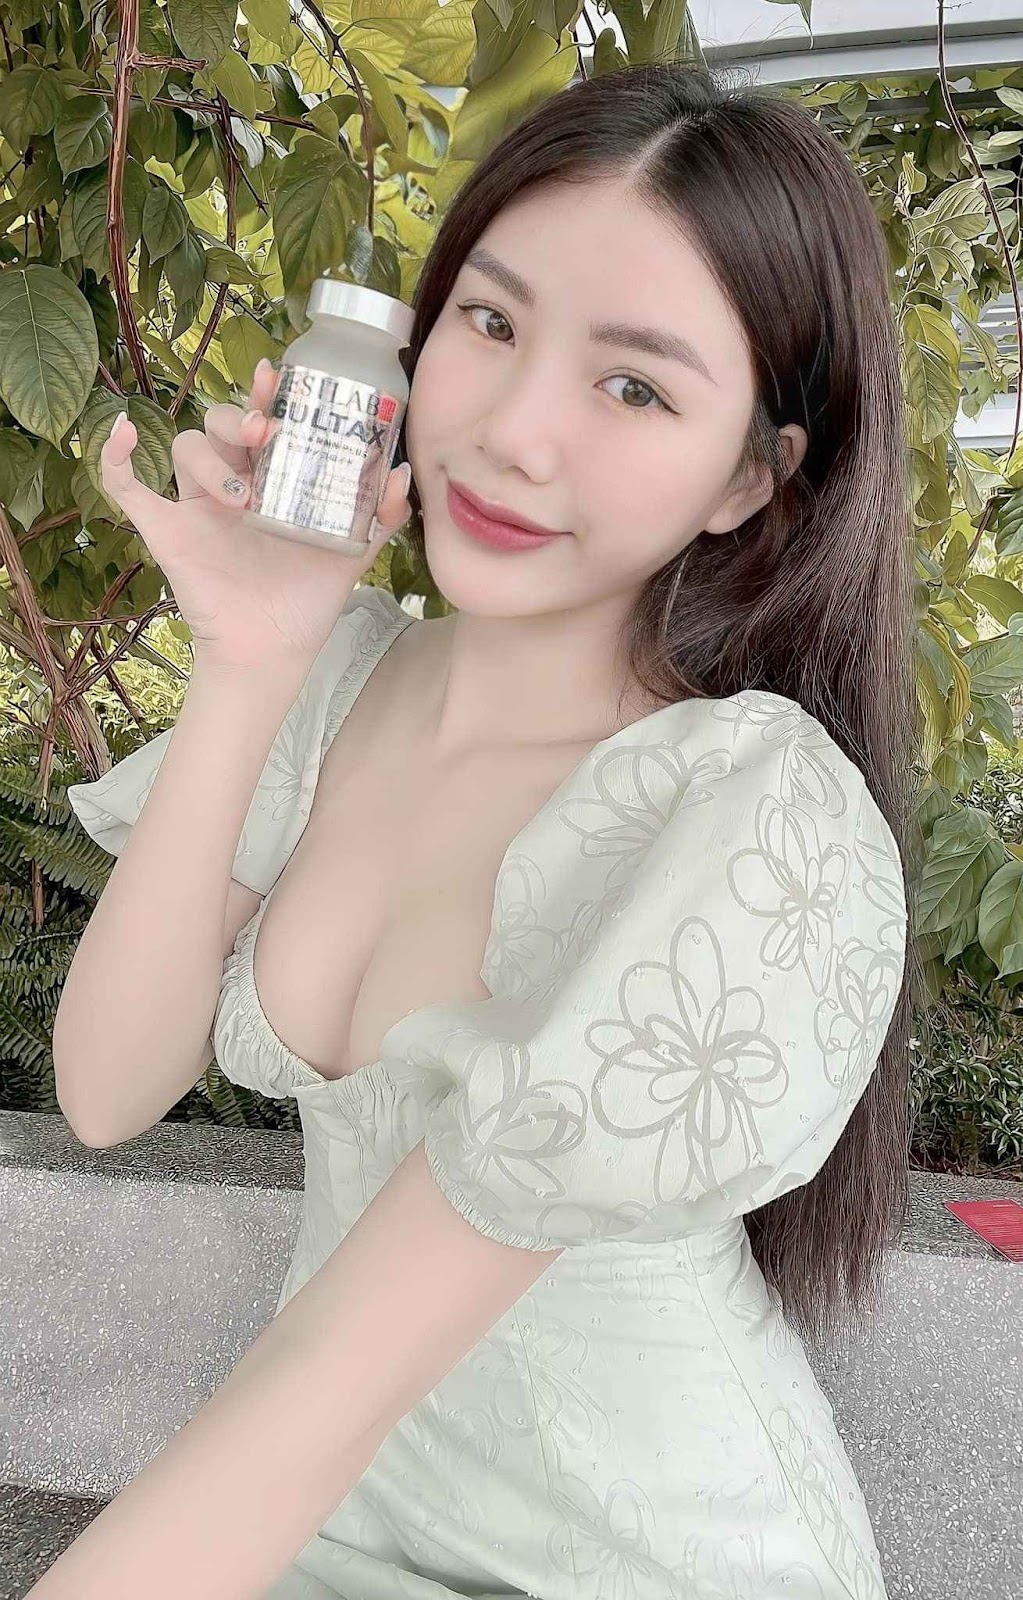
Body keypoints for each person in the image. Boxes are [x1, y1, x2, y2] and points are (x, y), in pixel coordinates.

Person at [51, 58, 917, 1600]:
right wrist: (249, 661)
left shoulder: (745, 816)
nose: (515, 433)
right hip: (328, 1523)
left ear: (750, 478)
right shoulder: (338, 683)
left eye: (634, 386)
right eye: (494, 324)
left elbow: (329, 1387)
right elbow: (110, 1092)